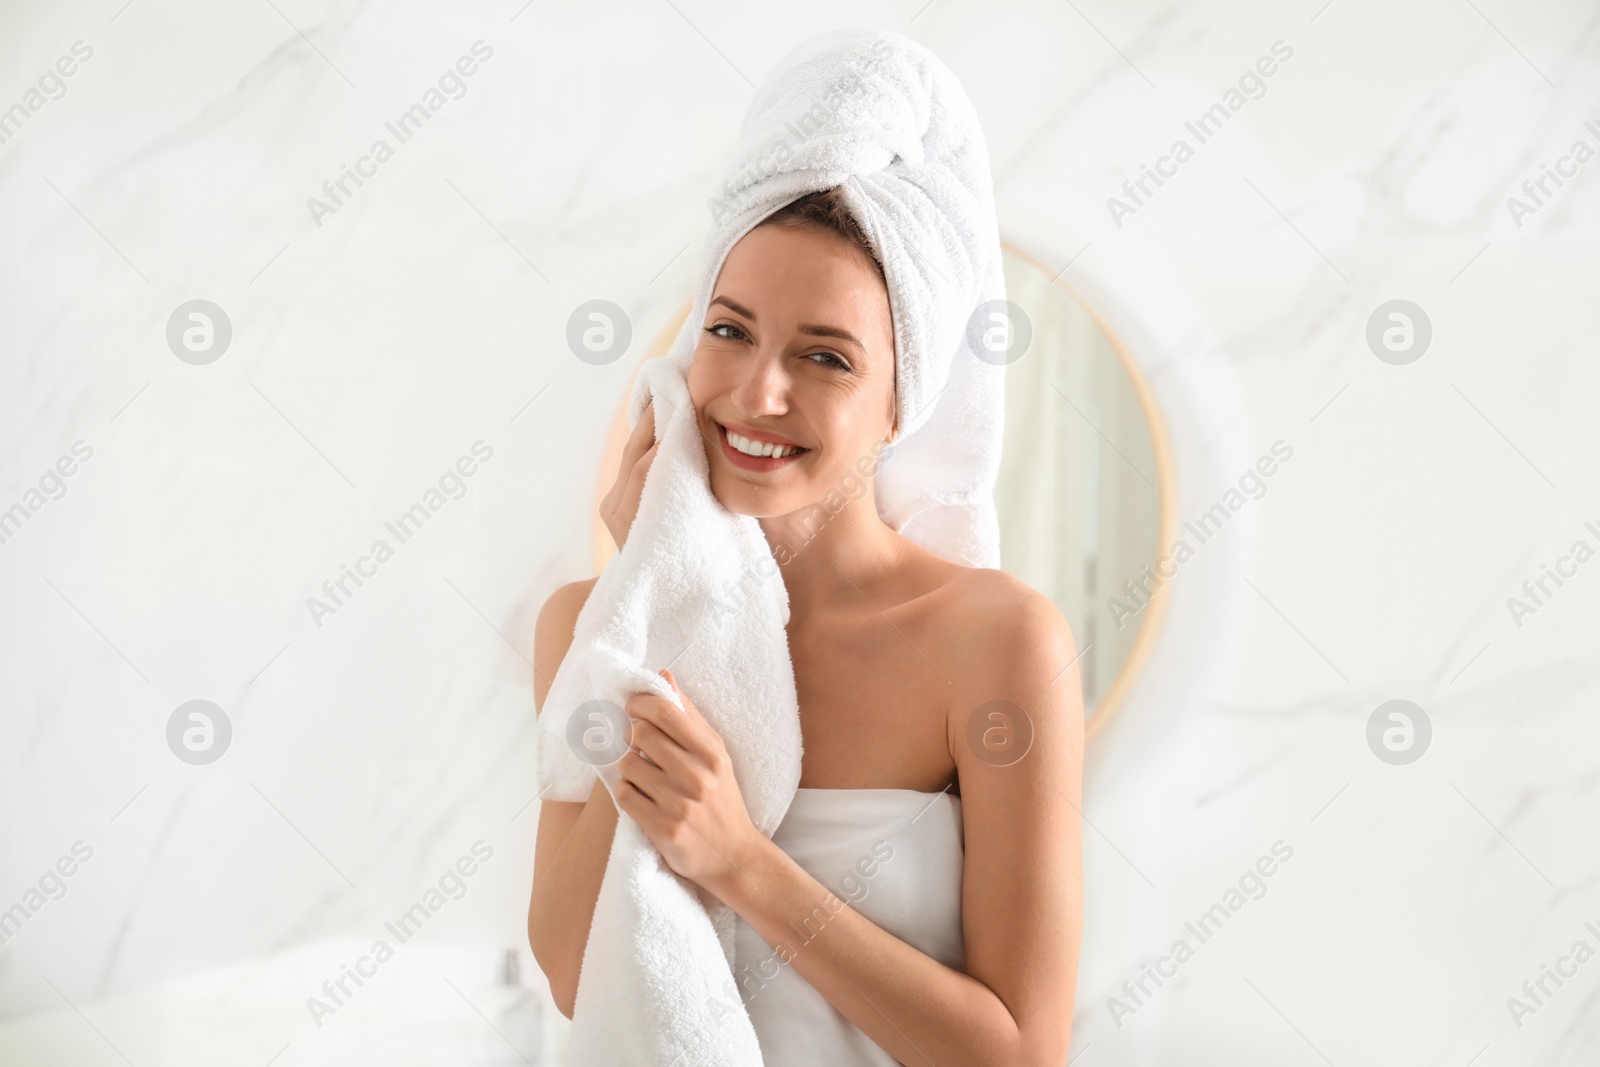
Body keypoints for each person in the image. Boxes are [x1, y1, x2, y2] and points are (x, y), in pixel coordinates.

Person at [528, 186, 1083, 1066]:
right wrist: (658, 602)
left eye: (825, 357)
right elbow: (570, 971)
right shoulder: (586, 625)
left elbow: (1022, 1055)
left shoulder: (996, 641)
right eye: (729, 330)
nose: (758, 393)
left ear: (903, 403)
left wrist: (740, 863)